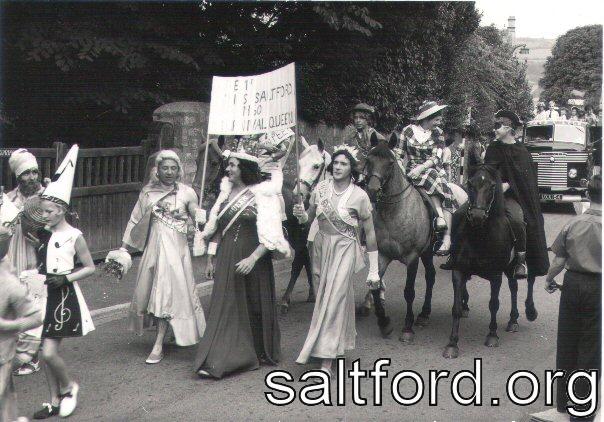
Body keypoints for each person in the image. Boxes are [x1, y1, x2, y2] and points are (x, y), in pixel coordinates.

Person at [194, 145, 290, 379]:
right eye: (229, 165)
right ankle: (221, 358)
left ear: (245, 169)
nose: (228, 169)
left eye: (233, 165)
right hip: (227, 256)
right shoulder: (224, 194)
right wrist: (210, 258)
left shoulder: (263, 195)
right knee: (226, 305)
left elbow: (272, 236)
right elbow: (217, 229)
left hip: (253, 257)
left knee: (254, 305)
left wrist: (253, 258)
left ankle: (257, 351)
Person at [293, 144, 380, 377]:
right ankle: (331, 345)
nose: (339, 167)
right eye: (337, 163)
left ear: (352, 168)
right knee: (324, 298)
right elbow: (308, 219)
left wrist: (374, 270)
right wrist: (302, 216)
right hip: (322, 248)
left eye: (344, 163)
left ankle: (327, 360)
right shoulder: (320, 190)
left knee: (335, 298)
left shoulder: (360, 196)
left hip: (345, 250)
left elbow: (370, 234)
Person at [114, 150, 206, 364]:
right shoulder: (147, 192)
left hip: (176, 252)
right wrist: (124, 248)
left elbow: (195, 215)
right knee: (154, 293)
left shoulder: (187, 192)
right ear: (157, 169)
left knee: (167, 293)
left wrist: (199, 215)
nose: (169, 172)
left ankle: (158, 344)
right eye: (165, 168)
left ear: (179, 170)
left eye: (174, 168)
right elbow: (134, 220)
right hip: (154, 249)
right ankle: (168, 331)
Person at [31, 145, 96, 419]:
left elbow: (90, 267)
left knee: (48, 353)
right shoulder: (43, 233)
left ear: (60, 210)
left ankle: (69, 388)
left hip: (62, 298)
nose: (43, 215)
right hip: (42, 294)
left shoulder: (74, 235)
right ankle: (53, 399)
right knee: (42, 350)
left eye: (47, 211)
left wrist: (66, 277)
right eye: (42, 211)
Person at [545, 175, 601, 421]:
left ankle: (563, 402)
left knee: (567, 341)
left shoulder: (573, 224)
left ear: (587, 195)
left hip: (572, 283)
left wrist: (549, 278)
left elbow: (558, 260)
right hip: (599, 287)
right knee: (591, 346)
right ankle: (582, 410)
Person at [484, 110, 550, 279]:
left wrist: (508, 185)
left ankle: (520, 260)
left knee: (517, 219)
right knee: (464, 213)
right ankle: (457, 253)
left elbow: (525, 181)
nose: (495, 130)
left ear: (509, 127)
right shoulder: (492, 148)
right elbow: (487, 172)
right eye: (495, 126)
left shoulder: (522, 151)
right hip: (487, 193)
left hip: (512, 196)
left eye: (498, 126)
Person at [6, 149, 48, 377]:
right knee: (14, 305)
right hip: (14, 256)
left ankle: (32, 357)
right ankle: (19, 351)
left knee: (34, 303)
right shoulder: (9, 199)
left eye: (34, 172)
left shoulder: (48, 195)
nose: (32, 177)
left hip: (37, 254)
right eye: (26, 174)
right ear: (18, 176)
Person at [400, 101, 459, 255]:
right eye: (437, 118)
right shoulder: (407, 131)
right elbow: (398, 154)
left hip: (430, 168)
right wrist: (400, 167)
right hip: (410, 169)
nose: (439, 121)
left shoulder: (438, 132)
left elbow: (437, 156)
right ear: (427, 118)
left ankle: (444, 232)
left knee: (440, 184)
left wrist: (421, 168)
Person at [0, 225, 44, 422]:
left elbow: (35, 317)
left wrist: (7, 326)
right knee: (6, 395)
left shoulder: (9, 284)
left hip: (2, 355)